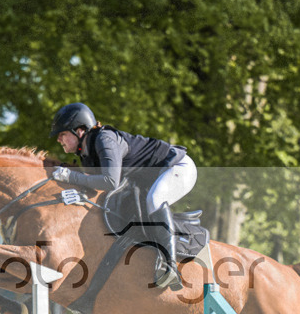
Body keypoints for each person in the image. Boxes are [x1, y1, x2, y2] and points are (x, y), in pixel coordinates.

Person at [47, 102, 197, 290]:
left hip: (178, 167)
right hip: (153, 177)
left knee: (155, 199)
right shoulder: (87, 154)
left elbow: (111, 182)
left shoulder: (105, 139)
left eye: (62, 134)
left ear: (79, 131)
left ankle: (170, 265)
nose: (59, 140)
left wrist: (72, 176)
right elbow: (98, 187)